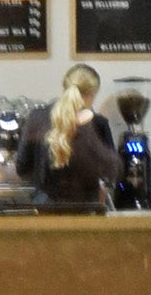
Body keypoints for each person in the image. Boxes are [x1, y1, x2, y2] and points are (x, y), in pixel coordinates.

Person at [17, 62, 122, 208]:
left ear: (64, 88)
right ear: (92, 94)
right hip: (86, 211)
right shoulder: (98, 123)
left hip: (44, 210)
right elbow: (113, 171)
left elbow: (22, 168)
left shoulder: (37, 118)